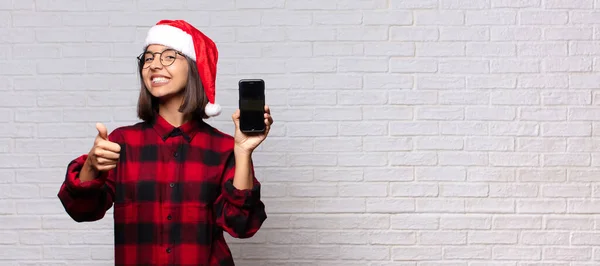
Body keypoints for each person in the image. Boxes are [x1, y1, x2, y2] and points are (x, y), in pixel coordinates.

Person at [57, 19, 272, 265]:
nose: (154, 65)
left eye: (169, 56)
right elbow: (81, 210)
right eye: (148, 58)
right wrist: (91, 167)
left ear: (194, 68)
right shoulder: (122, 142)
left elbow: (242, 225)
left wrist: (243, 152)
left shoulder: (223, 148)